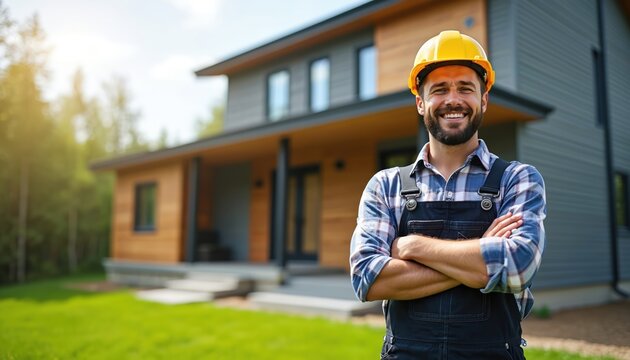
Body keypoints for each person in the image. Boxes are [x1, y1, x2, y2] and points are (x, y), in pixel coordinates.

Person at [349, 30, 546, 359]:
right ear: (420, 102)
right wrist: (482, 254)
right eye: (439, 89)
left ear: (483, 99)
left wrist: (412, 247)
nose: (452, 100)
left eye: (465, 88)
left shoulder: (518, 179)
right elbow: (368, 279)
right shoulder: (385, 186)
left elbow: (516, 268)